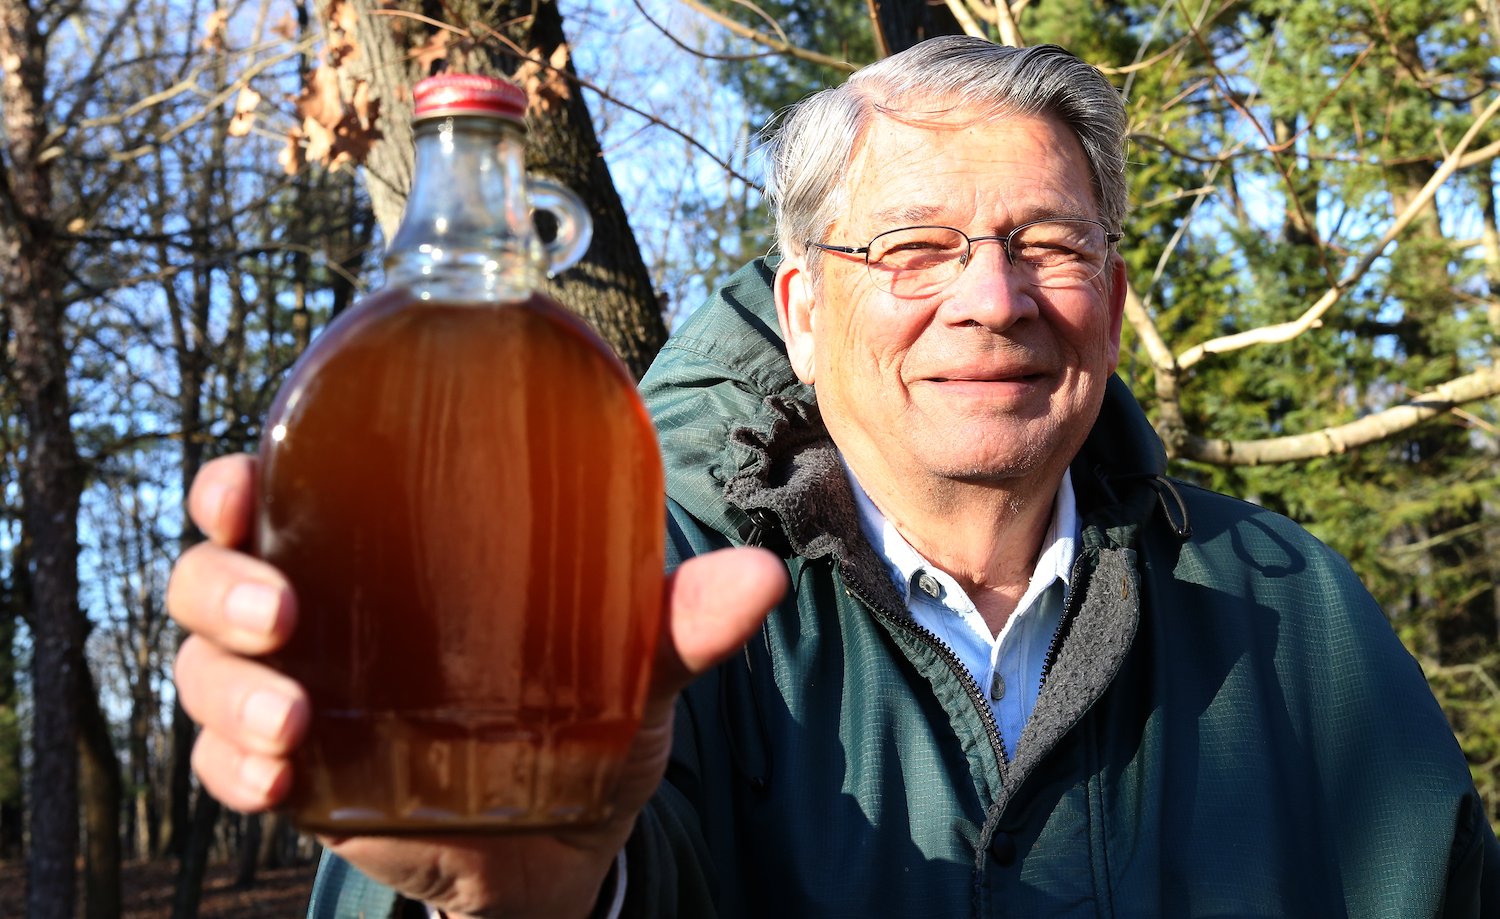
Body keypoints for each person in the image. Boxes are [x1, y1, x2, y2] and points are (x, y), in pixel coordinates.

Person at [167, 36, 1500, 918]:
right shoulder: (637, 590)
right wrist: (519, 898)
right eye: (912, 248)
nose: (993, 298)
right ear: (800, 313)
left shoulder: (1295, 621)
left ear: (1111, 291)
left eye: (1047, 242)